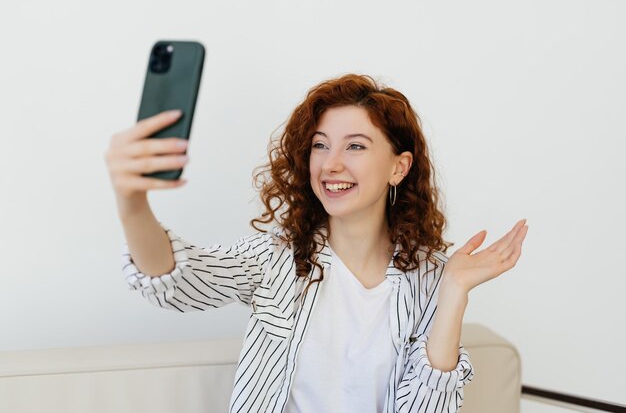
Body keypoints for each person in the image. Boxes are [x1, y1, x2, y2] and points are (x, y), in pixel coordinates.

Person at [105, 74, 528, 413]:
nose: (331, 163)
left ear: (399, 167)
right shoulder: (276, 259)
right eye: (320, 146)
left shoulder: (431, 277)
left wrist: (453, 293)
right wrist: (132, 203)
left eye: (356, 146)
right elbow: (178, 280)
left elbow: (427, 406)